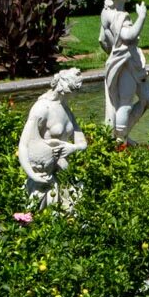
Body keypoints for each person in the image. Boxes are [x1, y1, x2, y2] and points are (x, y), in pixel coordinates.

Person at [18, 69, 88, 210]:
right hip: (45, 177)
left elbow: (82, 143)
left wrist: (72, 148)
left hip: (64, 173)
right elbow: (24, 145)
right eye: (74, 90)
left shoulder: (65, 108)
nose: (75, 94)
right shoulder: (42, 108)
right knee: (41, 221)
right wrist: (32, 174)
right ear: (64, 87)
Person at [100, 0, 149, 139]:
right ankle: (120, 140)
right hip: (126, 64)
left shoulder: (106, 12)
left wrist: (113, 52)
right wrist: (142, 17)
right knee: (125, 102)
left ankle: (121, 136)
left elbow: (102, 40)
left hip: (119, 60)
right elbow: (128, 36)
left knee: (145, 99)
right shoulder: (119, 16)